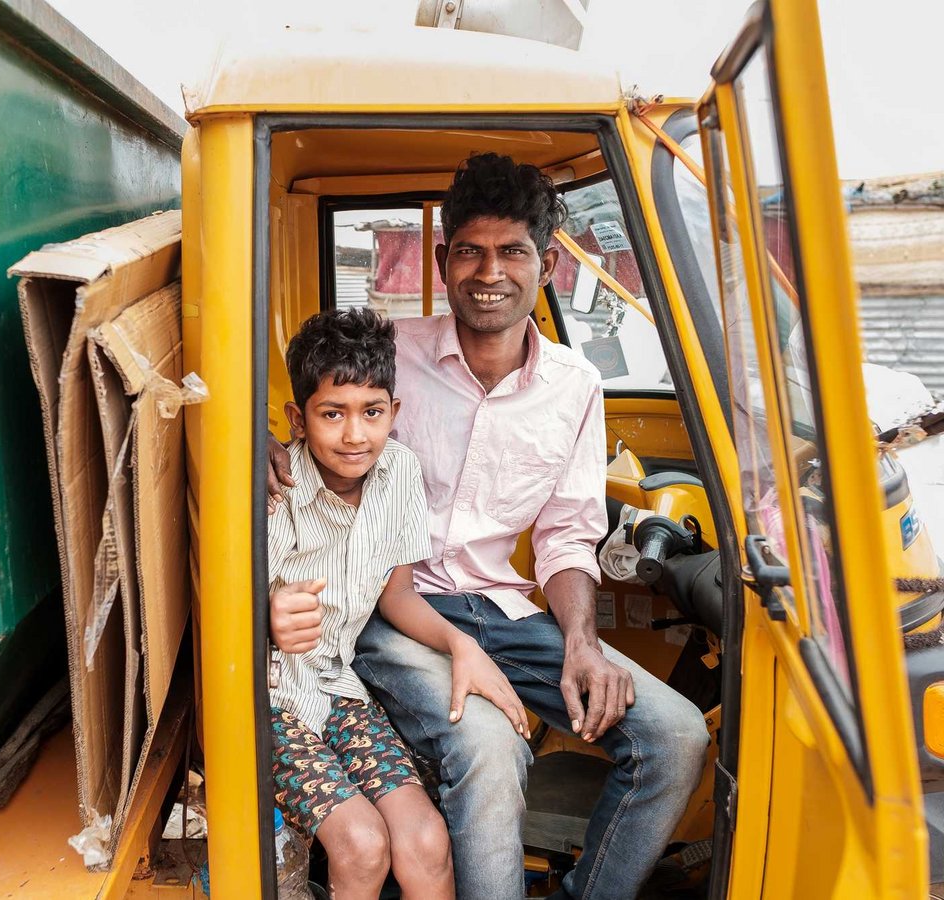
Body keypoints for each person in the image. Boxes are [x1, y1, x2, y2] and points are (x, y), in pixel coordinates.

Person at [267, 154, 709, 900]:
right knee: (489, 746)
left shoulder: (575, 385)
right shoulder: (392, 354)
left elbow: (567, 533)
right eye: (471, 251)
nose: (490, 272)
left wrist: (582, 643)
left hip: (503, 609)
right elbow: (313, 418)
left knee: (676, 735)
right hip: (390, 608)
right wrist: (260, 444)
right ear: (444, 261)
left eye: (513, 252)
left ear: (546, 266)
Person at [267, 307, 529, 900]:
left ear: (395, 412)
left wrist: (460, 643)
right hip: (270, 702)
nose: (355, 435)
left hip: (338, 689)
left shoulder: (401, 472)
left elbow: (398, 594)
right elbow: (218, 612)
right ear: (298, 419)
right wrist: (266, 618)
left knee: (427, 841)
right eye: (332, 413)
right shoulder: (274, 489)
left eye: (372, 412)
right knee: (362, 845)